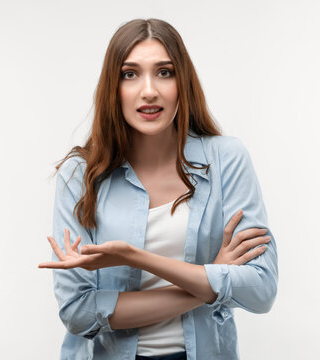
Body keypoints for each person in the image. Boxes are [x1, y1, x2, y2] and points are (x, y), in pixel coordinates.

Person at [38, 18, 278, 360]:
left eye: (164, 72)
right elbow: (78, 312)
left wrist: (135, 257)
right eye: (130, 73)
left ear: (183, 82)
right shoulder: (80, 174)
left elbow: (260, 290)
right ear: (113, 87)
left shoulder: (226, 158)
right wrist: (211, 282)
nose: (148, 90)